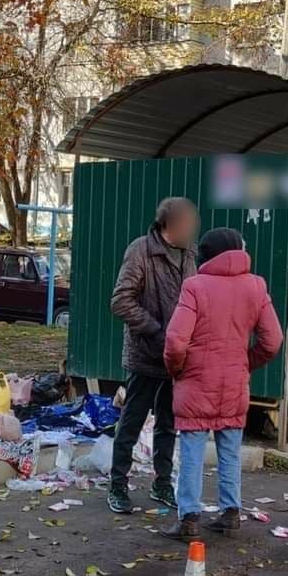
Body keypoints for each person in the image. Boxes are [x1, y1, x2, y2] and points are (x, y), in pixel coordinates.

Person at [162, 227, 284, 542]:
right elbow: (273, 341)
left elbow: (176, 342)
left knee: (191, 452)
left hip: (196, 382)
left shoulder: (195, 287)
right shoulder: (255, 286)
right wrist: (246, 362)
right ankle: (231, 514)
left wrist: (178, 370)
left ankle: (188, 518)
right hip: (233, 382)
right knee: (229, 449)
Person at [107, 197, 199, 514]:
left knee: (168, 425)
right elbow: (120, 301)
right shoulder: (141, 251)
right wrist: (158, 331)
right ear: (169, 224)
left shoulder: (190, 253)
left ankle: (162, 485)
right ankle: (117, 486)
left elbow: (194, 297)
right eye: (187, 222)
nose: (192, 228)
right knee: (131, 423)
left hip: (177, 357)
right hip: (146, 355)